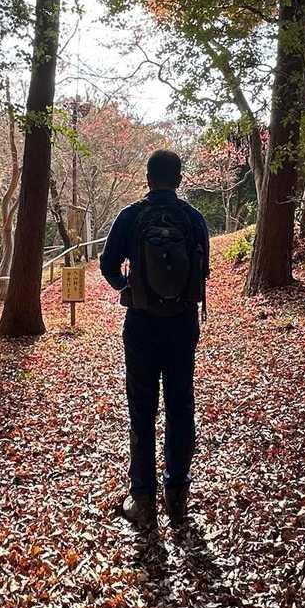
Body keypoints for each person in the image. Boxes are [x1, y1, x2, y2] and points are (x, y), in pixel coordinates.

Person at [100, 149, 209, 529]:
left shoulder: (131, 216)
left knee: (142, 409)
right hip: (182, 324)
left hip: (141, 324)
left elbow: (107, 264)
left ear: (148, 179)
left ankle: (143, 498)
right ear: (178, 180)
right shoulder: (193, 219)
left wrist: (128, 287)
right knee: (181, 405)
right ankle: (177, 494)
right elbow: (202, 272)